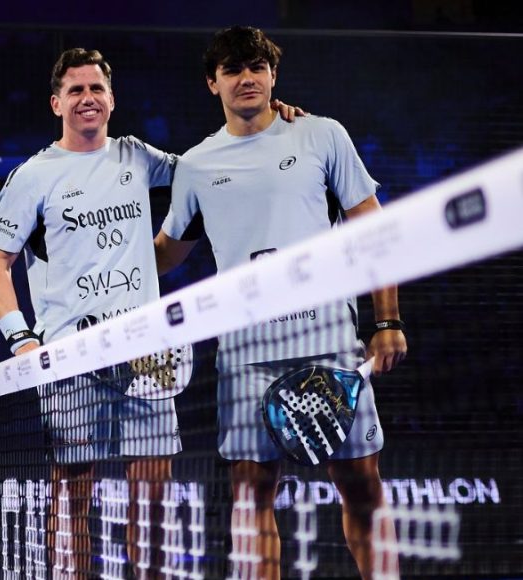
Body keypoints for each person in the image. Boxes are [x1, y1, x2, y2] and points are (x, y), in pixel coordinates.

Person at [0, 47, 302, 578]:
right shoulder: (33, 176)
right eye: (77, 90)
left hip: (149, 356)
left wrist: (267, 121)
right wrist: (21, 338)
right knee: (72, 496)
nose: (88, 98)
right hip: (71, 360)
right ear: (56, 102)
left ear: (112, 99)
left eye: (97, 89)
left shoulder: (137, 157)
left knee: (152, 498)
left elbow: (204, 172)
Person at [154, 26, 407, 580]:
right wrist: (94, 268)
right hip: (246, 351)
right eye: (233, 70)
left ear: (273, 76)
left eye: (257, 68)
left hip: (327, 341)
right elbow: (165, 255)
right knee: (251, 496)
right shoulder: (196, 164)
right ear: (212, 83)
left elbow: (374, 230)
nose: (247, 78)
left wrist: (386, 319)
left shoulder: (320, 135)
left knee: (361, 483)